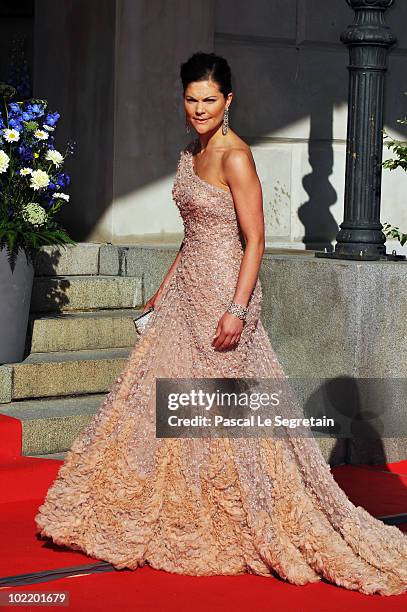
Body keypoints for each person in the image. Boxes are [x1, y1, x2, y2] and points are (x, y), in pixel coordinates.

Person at [35, 52, 407, 596]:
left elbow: (254, 240)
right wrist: (162, 291)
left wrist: (236, 309)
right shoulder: (190, 152)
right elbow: (194, 236)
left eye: (210, 100)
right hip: (186, 296)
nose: (200, 109)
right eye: (192, 99)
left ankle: (243, 513)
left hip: (224, 301)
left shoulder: (235, 157)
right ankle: (182, 507)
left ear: (228, 102)